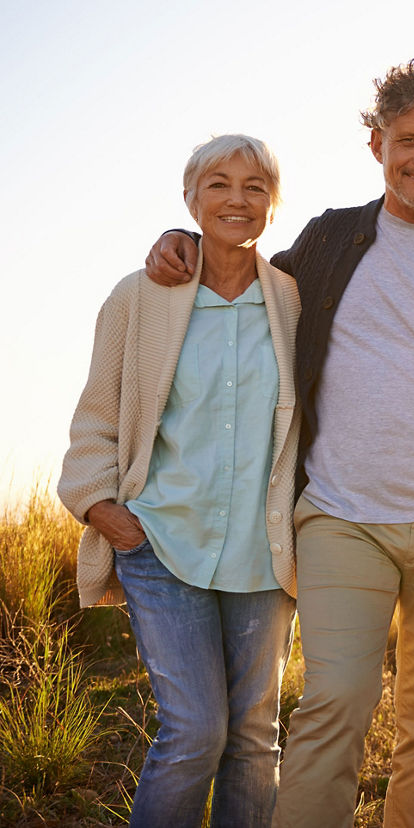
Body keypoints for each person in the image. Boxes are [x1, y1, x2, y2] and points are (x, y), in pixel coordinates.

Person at [145, 60, 414, 828]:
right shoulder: (329, 238)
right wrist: (181, 238)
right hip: (339, 519)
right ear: (376, 144)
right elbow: (245, 280)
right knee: (334, 705)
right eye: (408, 140)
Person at [59, 134, 300, 827]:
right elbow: (97, 415)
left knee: (255, 740)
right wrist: (104, 510)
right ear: (189, 198)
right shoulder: (140, 297)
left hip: (263, 555)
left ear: (273, 206)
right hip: (161, 544)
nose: (237, 198)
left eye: (255, 186)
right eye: (218, 184)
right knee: (196, 732)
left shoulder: (293, 302)